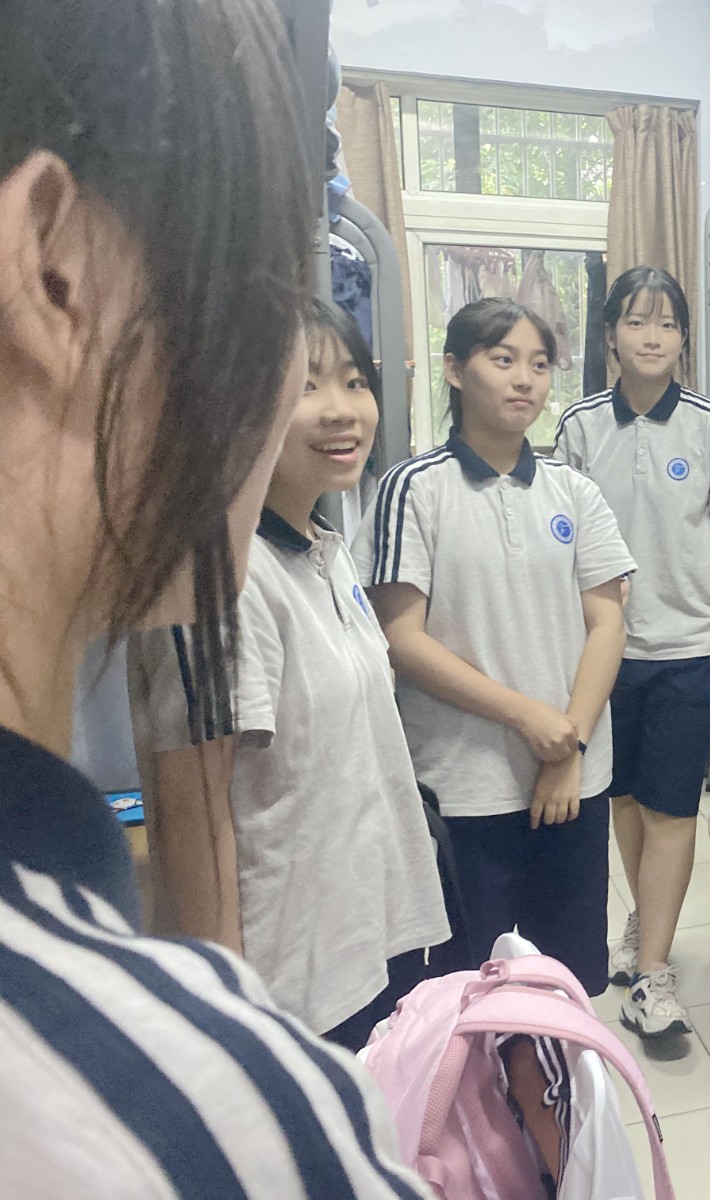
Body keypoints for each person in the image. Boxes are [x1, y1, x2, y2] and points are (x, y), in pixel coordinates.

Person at [0, 0, 430, 1191]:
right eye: (265, 299)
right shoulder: (202, 1118)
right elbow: (202, 826)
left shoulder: (328, 550)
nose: (302, 394)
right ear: (59, 274)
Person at [130, 301, 450, 1049]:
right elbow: (190, 815)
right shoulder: (214, 575)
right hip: (287, 988)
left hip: (368, 939)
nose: (341, 410)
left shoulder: (322, 548)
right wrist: (231, 1022)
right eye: (305, 386)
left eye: (354, 381)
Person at [357, 298, 633, 998]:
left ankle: (558, 1078)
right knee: (470, 992)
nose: (525, 379)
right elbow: (401, 639)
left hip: (572, 781)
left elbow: (607, 623)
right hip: (465, 788)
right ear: (454, 369)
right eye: (503, 359)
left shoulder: (574, 491)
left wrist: (567, 746)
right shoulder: (413, 489)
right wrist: (529, 718)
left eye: (539, 364)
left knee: (564, 986)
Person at [552, 266, 710, 1040]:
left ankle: (653, 970)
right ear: (610, 335)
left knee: (672, 808)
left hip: (689, 647)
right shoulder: (580, 426)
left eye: (668, 323)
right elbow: (564, 542)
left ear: (684, 338)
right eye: (637, 321)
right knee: (623, 800)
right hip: (603, 651)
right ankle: (644, 921)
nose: (653, 337)